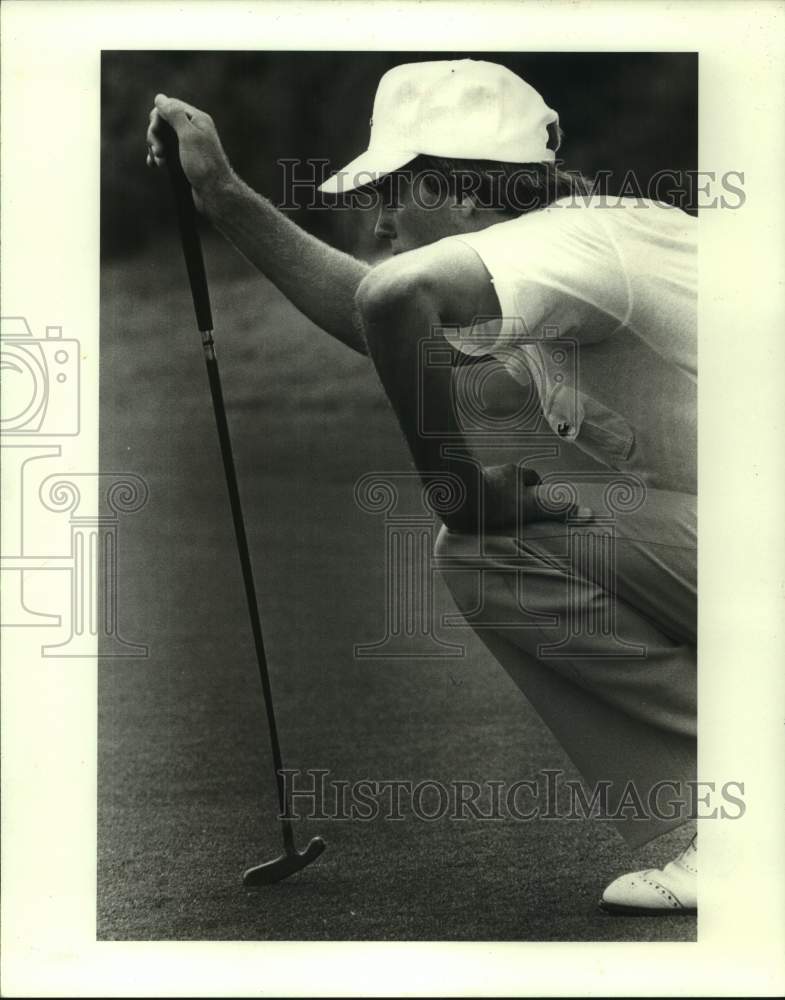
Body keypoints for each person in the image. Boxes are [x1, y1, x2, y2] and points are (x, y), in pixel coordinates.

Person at [146, 58, 698, 915]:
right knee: (501, 538)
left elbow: (394, 295)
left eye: (389, 196)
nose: (377, 225)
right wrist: (223, 197)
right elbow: (378, 311)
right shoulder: (588, 241)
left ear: (466, 195)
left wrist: (459, 491)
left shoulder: (573, 245)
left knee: (487, 540)